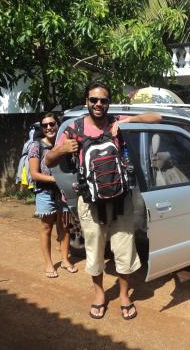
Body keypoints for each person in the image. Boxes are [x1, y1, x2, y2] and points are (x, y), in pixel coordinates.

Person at [45, 82, 161, 320]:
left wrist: (128, 122)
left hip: (120, 201)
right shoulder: (73, 130)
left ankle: (124, 295)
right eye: (93, 100)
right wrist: (62, 149)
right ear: (86, 101)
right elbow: (48, 161)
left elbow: (156, 117)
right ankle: (99, 294)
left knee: (125, 248)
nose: (98, 104)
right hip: (90, 203)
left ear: (109, 103)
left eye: (103, 100)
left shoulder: (116, 122)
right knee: (95, 250)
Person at [29, 113, 78, 278]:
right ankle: (49, 263)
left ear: (58, 125)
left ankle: (65, 260)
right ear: (42, 129)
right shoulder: (36, 146)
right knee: (46, 228)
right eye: (45, 125)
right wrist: (56, 179)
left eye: (52, 124)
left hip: (64, 192)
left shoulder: (64, 145)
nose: (49, 127)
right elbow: (35, 175)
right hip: (45, 193)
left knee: (64, 226)